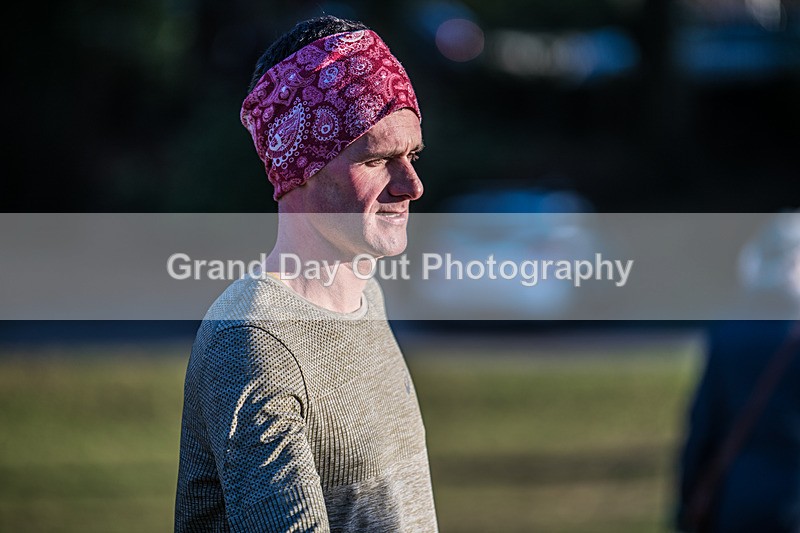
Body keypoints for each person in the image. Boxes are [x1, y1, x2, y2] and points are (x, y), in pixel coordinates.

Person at [175, 16, 438, 532]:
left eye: (412, 154)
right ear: (298, 168)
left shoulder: (366, 299)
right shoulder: (253, 344)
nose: (412, 185)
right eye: (378, 159)